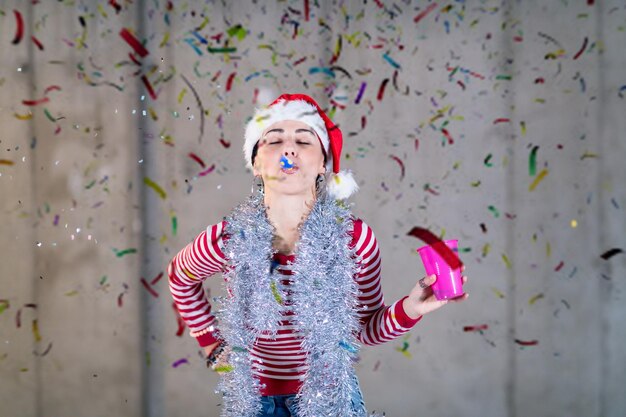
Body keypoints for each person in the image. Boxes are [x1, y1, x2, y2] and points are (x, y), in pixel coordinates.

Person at [167, 93, 468, 417]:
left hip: (331, 399)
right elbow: (179, 276)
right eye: (274, 139)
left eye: (304, 139)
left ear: (323, 163)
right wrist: (211, 343)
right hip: (252, 403)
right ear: (256, 163)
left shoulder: (354, 240)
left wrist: (411, 307)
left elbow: (365, 328)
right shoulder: (227, 239)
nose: (289, 148)